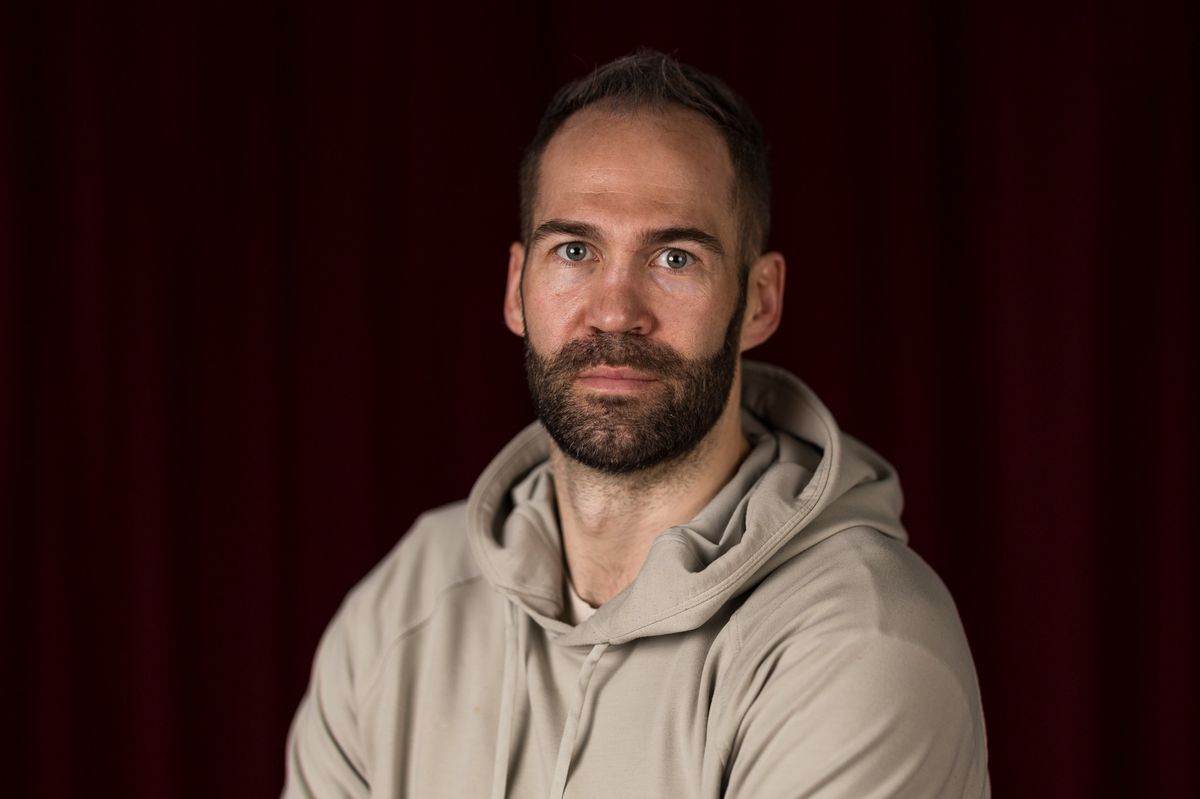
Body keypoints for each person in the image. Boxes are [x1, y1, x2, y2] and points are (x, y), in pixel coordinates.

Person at [283, 50, 990, 798]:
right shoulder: (405, 604)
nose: (615, 312)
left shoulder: (859, 639)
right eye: (575, 250)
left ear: (759, 301)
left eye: (674, 258)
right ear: (517, 289)